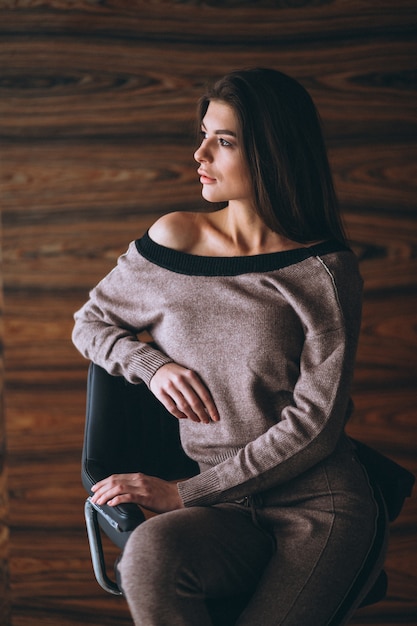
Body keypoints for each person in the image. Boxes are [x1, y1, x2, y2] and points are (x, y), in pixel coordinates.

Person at [72, 68, 386, 625]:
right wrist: (151, 363)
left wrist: (187, 492)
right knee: (147, 557)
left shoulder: (324, 270)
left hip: (320, 508)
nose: (200, 154)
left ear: (271, 154)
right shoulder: (174, 239)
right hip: (223, 511)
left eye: (223, 141)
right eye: (202, 134)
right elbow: (91, 324)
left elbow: (315, 425)